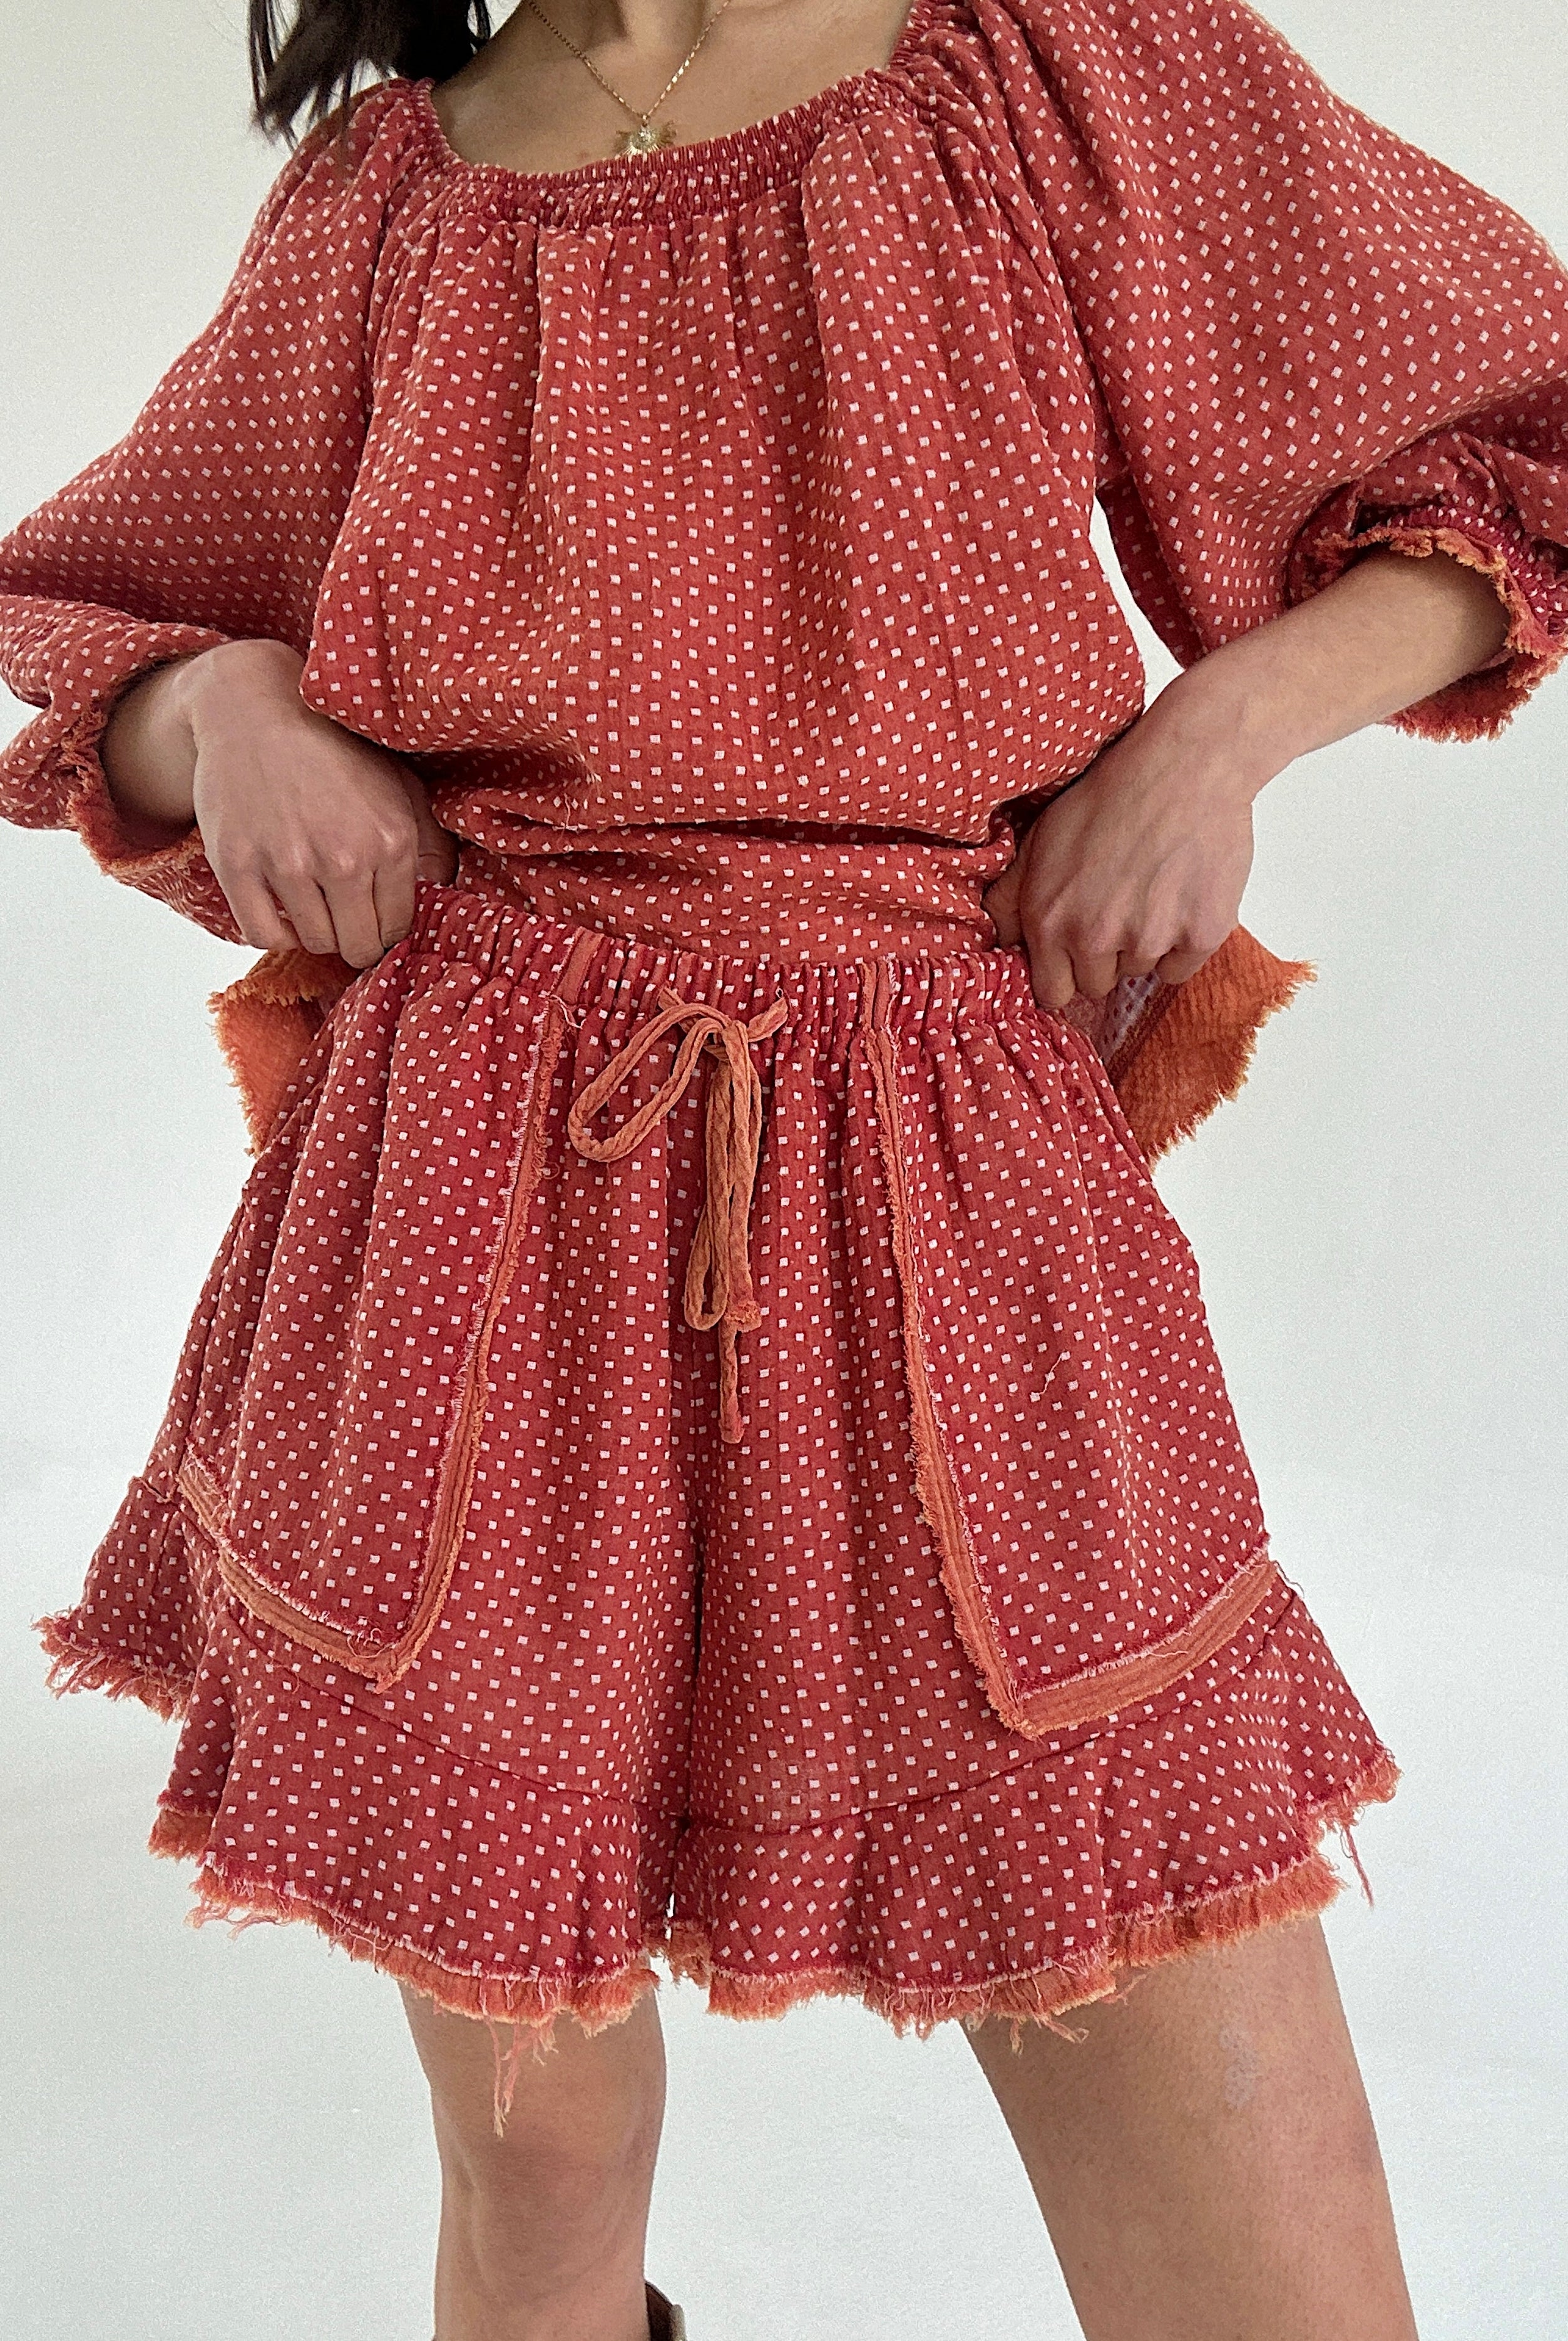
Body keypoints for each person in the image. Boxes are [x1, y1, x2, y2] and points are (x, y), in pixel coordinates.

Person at [3, 1, 1564, 2334]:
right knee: (538, 2195)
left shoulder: (1044, 64)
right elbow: (88, 623)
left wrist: (1211, 729)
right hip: (464, 1217)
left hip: (952, 1167)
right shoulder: (396, 190)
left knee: (1250, 2217)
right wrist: (223, 704)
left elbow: (1514, 431)